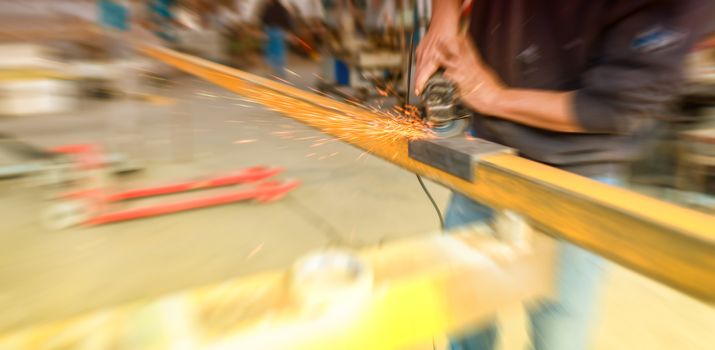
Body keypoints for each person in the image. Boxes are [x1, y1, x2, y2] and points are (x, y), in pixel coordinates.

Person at [414, 1, 714, 350]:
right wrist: (443, 20)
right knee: (464, 306)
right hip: (488, 151)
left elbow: (614, 107)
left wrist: (493, 97)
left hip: (579, 169)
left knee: (558, 332)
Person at [259, 0, 293, 78]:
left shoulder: (268, 8)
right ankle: (280, 73)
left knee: (270, 52)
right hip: (278, 31)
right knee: (279, 53)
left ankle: (271, 73)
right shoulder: (282, 8)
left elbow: (263, 20)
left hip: (270, 31)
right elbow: (287, 21)